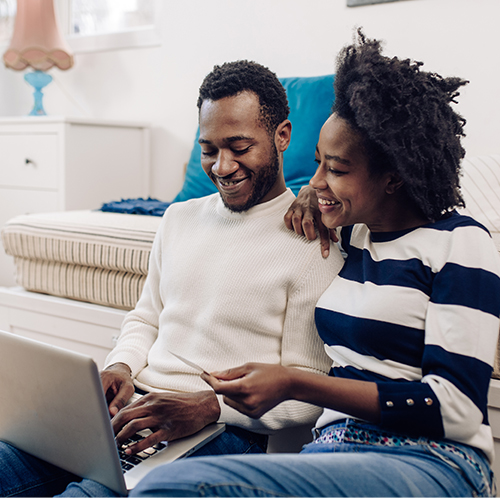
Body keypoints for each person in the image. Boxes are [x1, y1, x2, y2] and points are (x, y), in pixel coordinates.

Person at [130, 30, 500, 497]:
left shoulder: (460, 242)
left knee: (173, 486)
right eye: (318, 162)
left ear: (394, 177)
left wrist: (295, 383)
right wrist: (310, 194)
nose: (317, 180)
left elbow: (457, 408)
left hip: (429, 456)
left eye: (337, 169)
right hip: (331, 448)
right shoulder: (349, 233)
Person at [0, 61, 343, 497]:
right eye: (208, 148)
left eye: (239, 147)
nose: (221, 166)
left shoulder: (312, 241)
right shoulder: (179, 218)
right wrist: (120, 365)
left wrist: (211, 407)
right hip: (135, 409)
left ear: (282, 136)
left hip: (220, 431)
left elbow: (310, 389)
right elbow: (146, 318)